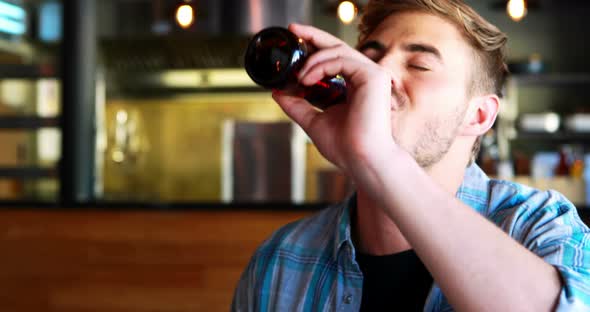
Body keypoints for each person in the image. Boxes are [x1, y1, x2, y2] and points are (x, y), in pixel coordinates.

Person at [232, 0, 590, 311]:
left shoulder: (541, 226)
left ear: (479, 115)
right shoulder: (279, 259)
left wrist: (382, 161)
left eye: (419, 65)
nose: (379, 74)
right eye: (370, 59)